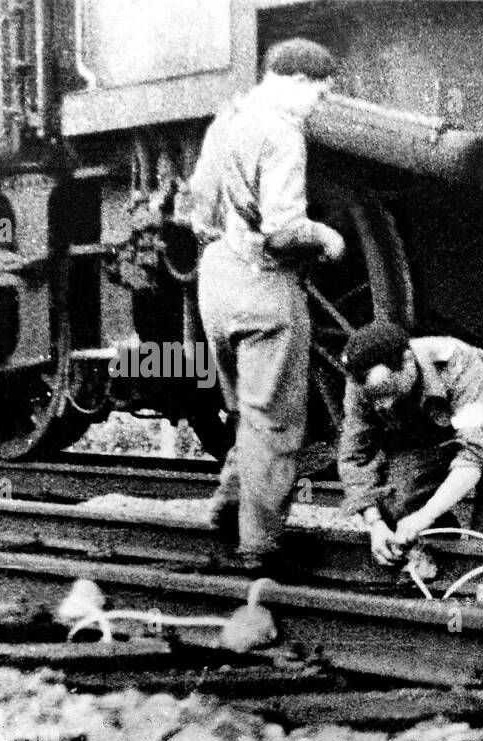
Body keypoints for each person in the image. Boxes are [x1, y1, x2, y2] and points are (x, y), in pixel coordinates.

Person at [185, 38, 346, 574]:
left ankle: (226, 509)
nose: (318, 106)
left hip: (215, 283)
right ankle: (260, 547)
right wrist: (327, 238)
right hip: (263, 287)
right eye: (319, 95)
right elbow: (283, 230)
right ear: (296, 81)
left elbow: (196, 206)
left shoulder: (226, 119)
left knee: (245, 412)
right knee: (274, 422)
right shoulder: (281, 132)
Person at [336, 323, 483, 565]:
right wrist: (376, 524)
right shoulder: (361, 381)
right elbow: (355, 458)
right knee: (396, 503)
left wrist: (424, 516)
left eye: (388, 391)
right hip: (430, 437)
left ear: (407, 362)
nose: (383, 405)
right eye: (375, 397)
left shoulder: (455, 360)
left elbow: (477, 452)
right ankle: (443, 540)